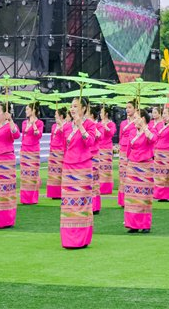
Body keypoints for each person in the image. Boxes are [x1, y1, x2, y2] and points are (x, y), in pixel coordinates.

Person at [60, 97, 96, 249]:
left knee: (81, 203)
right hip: (68, 167)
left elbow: (90, 142)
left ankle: (82, 238)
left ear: (84, 109)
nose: (72, 109)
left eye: (76, 106)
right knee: (69, 204)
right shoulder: (67, 126)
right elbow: (64, 147)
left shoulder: (89, 124)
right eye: (71, 106)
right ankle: (69, 239)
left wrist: (81, 126)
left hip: (83, 166)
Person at [124, 108, 158, 233]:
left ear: (143, 119)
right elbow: (129, 148)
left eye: (136, 118)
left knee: (144, 196)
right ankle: (132, 224)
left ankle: (144, 224)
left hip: (145, 166)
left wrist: (144, 128)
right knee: (132, 196)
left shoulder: (151, 130)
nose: (133, 121)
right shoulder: (132, 132)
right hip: (133, 166)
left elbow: (153, 139)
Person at [0, 104, 20, 228]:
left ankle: (7, 219)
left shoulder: (9, 126)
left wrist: (10, 120)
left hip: (6, 161)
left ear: (4, 113)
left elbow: (16, 135)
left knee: (6, 191)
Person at [19, 102, 44, 205]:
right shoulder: (24, 122)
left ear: (33, 111)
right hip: (24, 150)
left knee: (32, 175)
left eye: (27, 109)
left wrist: (33, 124)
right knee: (25, 175)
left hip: (33, 151)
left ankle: (32, 198)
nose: (26, 111)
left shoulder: (39, 123)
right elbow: (23, 136)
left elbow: (39, 135)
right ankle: (24, 198)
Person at [153, 107, 169, 202]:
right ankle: (160, 195)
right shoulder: (159, 125)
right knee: (160, 174)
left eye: (165, 113)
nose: (163, 115)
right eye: (163, 113)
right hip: (159, 152)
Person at [118, 100, 137, 207]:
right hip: (123, 149)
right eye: (126, 107)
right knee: (123, 174)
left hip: (134, 149)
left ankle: (132, 199)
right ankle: (123, 200)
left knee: (132, 174)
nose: (127, 109)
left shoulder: (138, 122)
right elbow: (120, 136)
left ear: (135, 109)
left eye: (130, 107)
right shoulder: (123, 123)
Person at [47, 107, 69, 199]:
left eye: (56, 114)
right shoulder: (53, 126)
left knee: (60, 172)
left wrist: (61, 127)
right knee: (53, 173)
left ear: (61, 116)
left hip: (60, 150)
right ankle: (53, 193)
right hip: (53, 150)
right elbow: (52, 137)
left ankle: (60, 192)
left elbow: (66, 138)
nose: (55, 116)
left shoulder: (67, 125)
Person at [98, 105, 116, 195]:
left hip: (107, 148)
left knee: (106, 169)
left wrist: (105, 126)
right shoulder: (99, 123)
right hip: (99, 147)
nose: (100, 114)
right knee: (99, 168)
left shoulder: (111, 124)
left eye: (102, 113)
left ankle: (106, 188)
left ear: (106, 114)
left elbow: (112, 133)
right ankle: (99, 187)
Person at [89, 105, 102, 214]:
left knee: (94, 180)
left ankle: (95, 206)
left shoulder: (98, 125)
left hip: (94, 154)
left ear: (92, 115)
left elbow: (100, 136)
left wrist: (93, 127)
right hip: (86, 154)